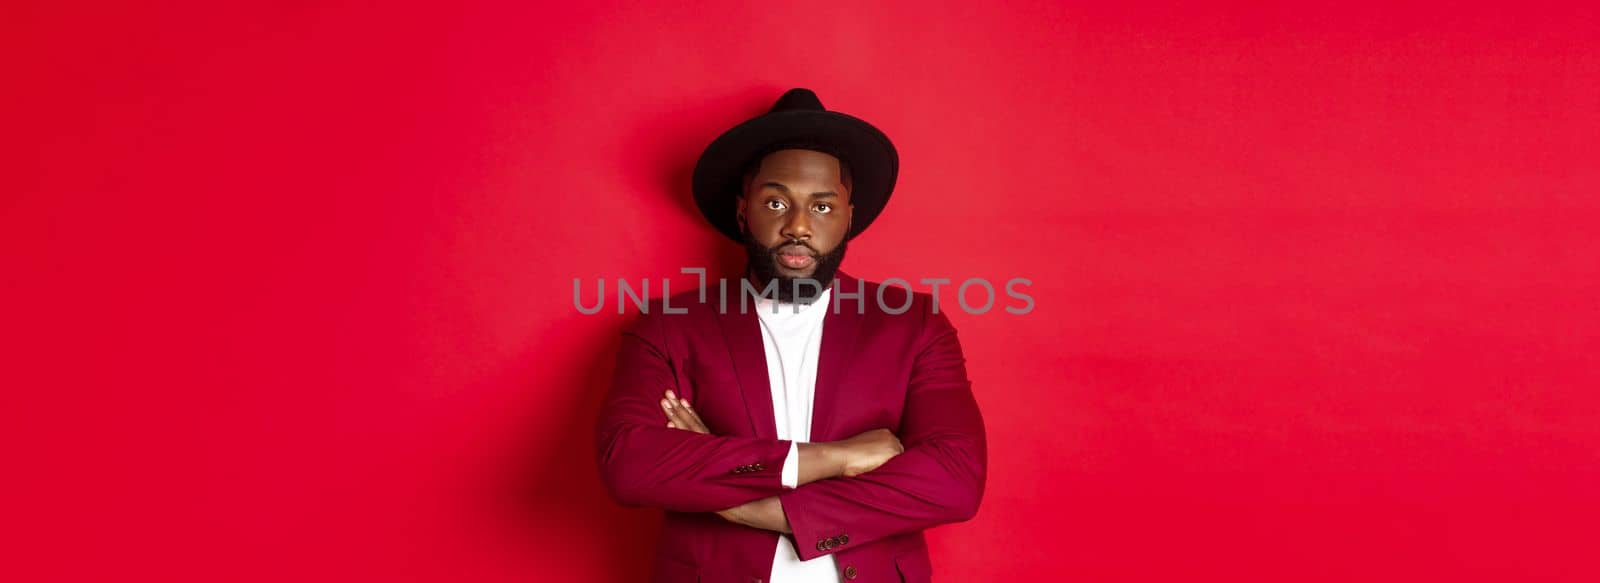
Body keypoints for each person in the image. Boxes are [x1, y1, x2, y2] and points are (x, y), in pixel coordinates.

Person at [595, 88, 987, 583]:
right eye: (776, 201)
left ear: (849, 217)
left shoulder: (913, 324)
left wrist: (749, 505)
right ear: (743, 212)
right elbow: (629, 464)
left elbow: (954, 481)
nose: (798, 226)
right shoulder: (670, 325)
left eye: (822, 207)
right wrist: (834, 459)